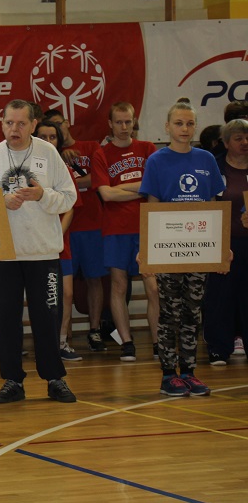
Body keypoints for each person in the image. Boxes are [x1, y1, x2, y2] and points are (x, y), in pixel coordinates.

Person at [0, 99, 78, 404]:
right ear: (2, 124)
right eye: (9, 123)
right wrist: (1, 201)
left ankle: (55, 378)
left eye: (21, 123)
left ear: (33, 125)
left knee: (47, 318)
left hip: (43, 253)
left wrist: (42, 194)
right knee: (7, 320)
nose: (14, 129)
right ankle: (12, 380)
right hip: (6, 254)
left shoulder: (48, 153)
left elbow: (69, 197)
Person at [140, 102, 226, 396]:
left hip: (199, 248)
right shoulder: (156, 161)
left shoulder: (206, 159)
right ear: (167, 127)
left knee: (193, 312)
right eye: (179, 123)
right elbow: (151, 207)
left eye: (190, 123)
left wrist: (221, 247)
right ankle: (168, 375)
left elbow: (213, 206)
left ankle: (188, 371)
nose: (185, 129)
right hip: (167, 248)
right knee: (169, 312)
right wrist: (146, 251)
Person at [91, 102, 159, 362]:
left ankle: (158, 342)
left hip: (146, 226)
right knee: (119, 285)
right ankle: (127, 343)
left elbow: (155, 186)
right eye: (118, 122)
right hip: (116, 229)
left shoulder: (148, 149)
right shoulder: (101, 154)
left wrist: (122, 187)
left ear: (134, 122)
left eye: (127, 121)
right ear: (110, 123)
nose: (123, 127)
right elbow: (106, 194)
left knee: (153, 287)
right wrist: (139, 188)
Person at [47, 108, 108, 355]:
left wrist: (70, 180)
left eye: (58, 124)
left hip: (90, 222)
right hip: (63, 227)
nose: (56, 129)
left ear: (67, 123)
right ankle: (63, 337)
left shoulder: (90, 147)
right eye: (50, 127)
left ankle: (94, 329)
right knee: (63, 288)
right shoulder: (49, 155)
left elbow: (98, 179)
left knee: (94, 278)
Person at [35, 120, 82, 362]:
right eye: (42, 137)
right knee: (41, 297)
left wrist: (57, 235)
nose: (47, 141)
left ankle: (61, 342)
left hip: (59, 242)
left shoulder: (62, 168)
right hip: (36, 243)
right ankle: (44, 343)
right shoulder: (29, 169)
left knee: (67, 293)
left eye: (52, 137)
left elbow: (70, 207)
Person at [204, 119, 248, 365]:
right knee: (220, 296)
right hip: (222, 241)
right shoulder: (215, 166)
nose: (245, 142)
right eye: (239, 138)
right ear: (226, 142)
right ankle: (218, 348)